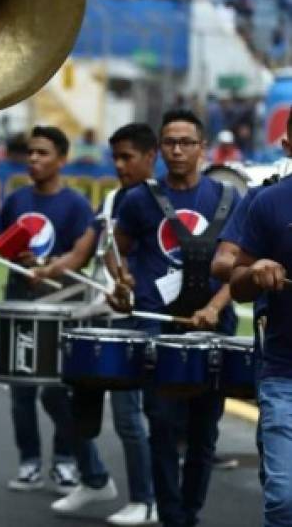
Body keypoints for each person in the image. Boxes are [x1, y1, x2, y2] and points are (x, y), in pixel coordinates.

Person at [111, 109, 239, 527]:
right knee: (162, 427)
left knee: (204, 434)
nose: (178, 150)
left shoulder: (227, 198)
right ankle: (171, 517)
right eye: (170, 143)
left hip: (212, 329)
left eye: (187, 143)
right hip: (157, 329)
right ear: (160, 149)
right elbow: (120, 249)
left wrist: (214, 308)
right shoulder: (137, 200)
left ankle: (190, 513)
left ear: (203, 148)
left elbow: (239, 265)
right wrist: (123, 280)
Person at [33, 123, 159, 525]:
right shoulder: (110, 201)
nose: (120, 165)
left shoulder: (160, 202)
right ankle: (93, 478)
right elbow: (81, 252)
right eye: (116, 157)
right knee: (54, 394)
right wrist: (48, 268)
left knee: (126, 415)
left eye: (128, 157)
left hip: (135, 323)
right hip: (99, 321)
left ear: (149, 157)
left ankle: (146, 499)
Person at [0, 125, 104, 496]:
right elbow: (1, 246)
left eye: (42, 153)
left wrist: (48, 263)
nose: (34, 159)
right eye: (31, 153)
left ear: (61, 159)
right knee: (21, 388)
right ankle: (29, 462)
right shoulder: (15, 200)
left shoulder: (76, 205)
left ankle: (64, 460)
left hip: (62, 308)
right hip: (20, 304)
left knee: (61, 386)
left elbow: (82, 256)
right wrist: (17, 256)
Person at [229, 168, 292, 526]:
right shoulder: (270, 201)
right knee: (283, 500)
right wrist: (256, 272)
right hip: (284, 375)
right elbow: (236, 282)